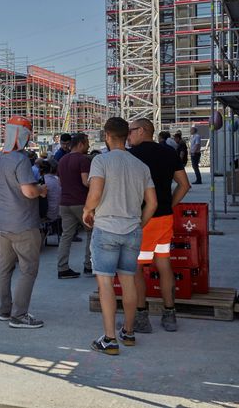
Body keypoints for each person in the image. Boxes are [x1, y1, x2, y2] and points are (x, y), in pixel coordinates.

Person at [83, 117, 157, 356]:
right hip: (132, 230)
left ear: (106, 135)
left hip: (106, 228)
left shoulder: (101, 161)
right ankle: (128, 331)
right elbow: (153, 203)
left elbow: (95, 193)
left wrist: (87, 210)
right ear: (127, 135)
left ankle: (109, 338)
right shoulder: (141, 166)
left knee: (105, 282)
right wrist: (140, 223)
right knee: (128, 281)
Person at [128, 118, 191, 333]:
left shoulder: (132, 156)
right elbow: (184, 184)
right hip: (164, 218)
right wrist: (169, 204)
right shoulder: (168, 152)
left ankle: (141, 317)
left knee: (137, 269)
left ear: (143, 130)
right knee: (164, 265)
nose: (128, 135)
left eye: (131, 131)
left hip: (143, 219)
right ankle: (169, 314)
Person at [0, 116, 47, 329]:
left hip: (3, 222)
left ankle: (5, 310)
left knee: (4, 268)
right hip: (23, 222)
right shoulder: (21, 159)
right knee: (28, 269)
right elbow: (28, 191)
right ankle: (19, 315)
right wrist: (41, 190)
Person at [56, 133, 92, 279]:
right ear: (82, 143)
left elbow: (59, 182)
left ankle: (62, 268)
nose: (89, 145)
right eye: (88, 142)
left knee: (66, 236)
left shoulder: (62, 159)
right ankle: (89, 265)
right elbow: (86, 182)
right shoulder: (83, 160)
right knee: (91, 232)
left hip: (64, 203)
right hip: (81, 203)